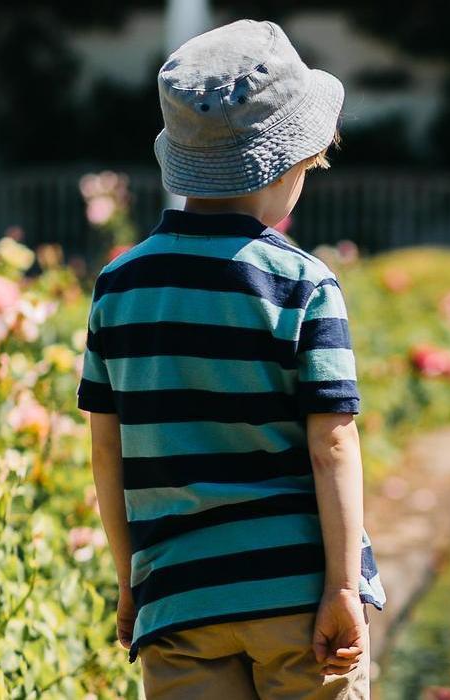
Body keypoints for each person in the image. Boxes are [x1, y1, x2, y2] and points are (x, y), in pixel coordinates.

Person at [78, 19, 383, 699]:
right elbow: (332, 443)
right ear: (284, 162)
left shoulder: (118, 288)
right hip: (298, 597)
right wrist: (341, 588)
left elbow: (108, 452)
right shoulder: (302, 284)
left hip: (180, 599)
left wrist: (134, 584)